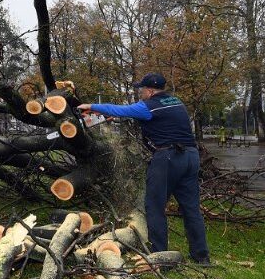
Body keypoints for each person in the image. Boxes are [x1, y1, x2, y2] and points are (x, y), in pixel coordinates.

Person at [77, 73, 211, 265]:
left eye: (141, 89)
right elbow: (153, 120)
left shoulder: (149, 105)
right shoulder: (176, 102)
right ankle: (201, 256)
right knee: (191, 208)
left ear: (149, 91)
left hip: (168, 158)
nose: (140, 92)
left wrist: (92, 107)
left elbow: (124, 109)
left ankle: (159, 256)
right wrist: (112, 117)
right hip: (190, 157)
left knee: (154, 206)